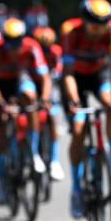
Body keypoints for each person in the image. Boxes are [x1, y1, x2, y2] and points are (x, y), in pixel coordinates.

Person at [62, 0, 111, 219]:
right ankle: (76, 188)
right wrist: (73, 101)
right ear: (84, 21)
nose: (98, 30)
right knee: (79, 129)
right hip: (76, 79)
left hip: (100, 74)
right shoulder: (72, 34)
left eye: (102, 25)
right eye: (93, 25)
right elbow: (68, 75)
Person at [0, 17, 51, 202]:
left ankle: (33, 152)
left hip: (20, 80)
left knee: (31, 98)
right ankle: (0, 177)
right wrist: (2, 105)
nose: (14, 48)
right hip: (0, 86)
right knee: (0, 125)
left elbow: (45, 76)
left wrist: (44, 99)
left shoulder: (31, 46)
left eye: (17, 43)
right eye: (10, 43)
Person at [32, 26, 65, 181]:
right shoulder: (31, 51)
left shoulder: (56, 51)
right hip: (34, 84)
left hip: (50, 85)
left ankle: (55, 161)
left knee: (53, 117)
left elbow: (59, 69)